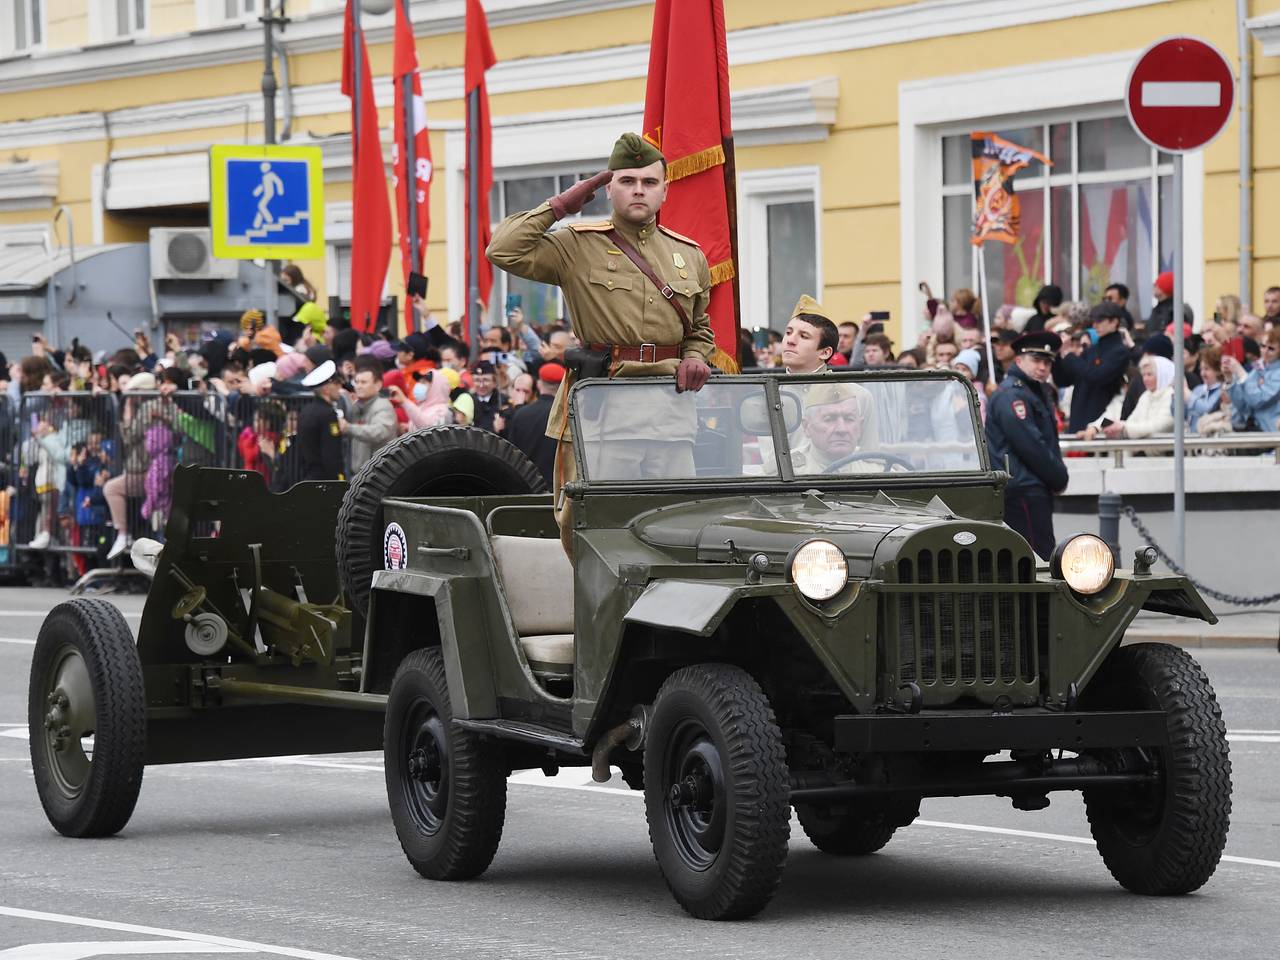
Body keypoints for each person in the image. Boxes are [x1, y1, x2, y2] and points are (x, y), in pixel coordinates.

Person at [486, 131, 715, 557]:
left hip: (670, 412)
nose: (639, 190)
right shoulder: (578, 244)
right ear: (608, 188)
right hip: (605, 409)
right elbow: (503, 250)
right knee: (598, 529)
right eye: (627, 181)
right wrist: (560, 206)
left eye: (649, 182)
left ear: (665, 189)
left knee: (676, 525)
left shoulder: (689, 255)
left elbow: (700, 328)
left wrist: (697, 356)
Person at [984, 332, 1068, 560]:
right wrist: (1059, 477)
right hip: (1022, 489)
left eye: (1047, 362)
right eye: (1036, 360)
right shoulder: (1013, 395)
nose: (1043, 367)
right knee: (1036, 560)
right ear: (1019, 360)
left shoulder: (1033, 391)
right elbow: (1031, 445)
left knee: (1035, 557)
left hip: (1029, 487)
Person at [1053, 301, 1130, 433]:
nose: (1095, 325)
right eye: (1093, 321)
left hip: (1100, 423)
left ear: (1114, 322)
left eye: (1100, 320)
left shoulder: (1120, 351)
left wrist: (1069, 355)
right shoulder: (1092, 350)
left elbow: (1096, 376)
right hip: (1079, 418)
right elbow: (1063, 380)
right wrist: (1058, 355)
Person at [791, 382, 881, 474]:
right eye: (829, 419)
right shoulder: (788, 470)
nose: (841, 429)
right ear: (806, 427)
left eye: (849, 419)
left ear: (860, 426)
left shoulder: (879, 471)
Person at [1084, 355, 1175, 441]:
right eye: (1143, 375)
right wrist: (1097, 428)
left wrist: (1124, 427)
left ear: (1162, 374)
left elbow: (1161, 425)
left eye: (1149, 374)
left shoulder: (1172, 396)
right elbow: (1131, 421)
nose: (1145, 379)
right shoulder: (1145, 396)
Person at [506, 362, 563, 485]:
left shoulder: (521, 414)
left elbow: (512, 454)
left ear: (539, 384)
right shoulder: (566, 415)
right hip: (558, 487)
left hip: (527, 484)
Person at [343, 356, 398, 472]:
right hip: (361, 474)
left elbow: (379, 432)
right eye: (356, 382)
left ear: (378, 385)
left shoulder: (383, 405)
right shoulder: (357, 405)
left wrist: (349, 428)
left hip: (379, 476)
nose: (358, 386)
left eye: (364, 382)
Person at [1223, 326, 1280, 431]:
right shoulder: (1257, 368)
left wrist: (1241, 373)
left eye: (1271, 348)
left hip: (1271, 433)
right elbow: (1243, 405)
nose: (1265, 351)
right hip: (1251, 430)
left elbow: (1257, 400)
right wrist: (1230, 379)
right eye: (1262, 346)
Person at [297, 360, 346, 481]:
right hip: (324, 479)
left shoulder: (306, 411)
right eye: (336, 384)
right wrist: (338, 479)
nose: (340, 387)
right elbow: (331, 453)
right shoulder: (328, 414)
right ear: (326, 389)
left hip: (307, 477)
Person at [780, 296, 837, 373]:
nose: (790, 341)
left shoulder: (841, 385)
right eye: (788, 333)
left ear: (825, 352)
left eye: (804, 336)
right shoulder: (767, 384)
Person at [1185, 345, 1224, 433]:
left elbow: (1207, 409)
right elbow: (1180, 414)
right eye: (1201, 369)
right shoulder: (1198, 389)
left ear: (1218, 370)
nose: (1202, 373)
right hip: (1192, 440)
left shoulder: (1222, 390)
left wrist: (1188, 395)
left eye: (1207, 369)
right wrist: (1177, 397)